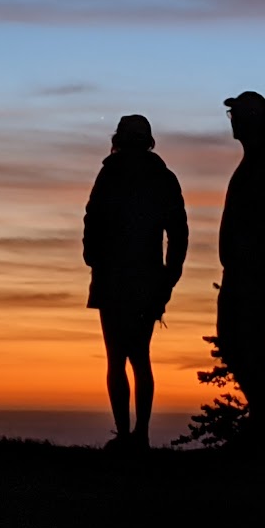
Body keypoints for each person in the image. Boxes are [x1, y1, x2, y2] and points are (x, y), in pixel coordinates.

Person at [83, 114, 188, 450]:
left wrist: (169, 276)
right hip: (134, 279)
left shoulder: (116, 174)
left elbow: (92, 218)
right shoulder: (157, 177)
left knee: (124, 358)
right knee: (133, 357)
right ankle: (134, 434)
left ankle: (133, 434)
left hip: (126, 279)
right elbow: (179, 232)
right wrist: (169, 276)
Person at [216, 90, 265, 438]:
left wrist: (254, 267)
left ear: (251, 119)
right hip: (243, 270)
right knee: (237, 343)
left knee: (243, 344)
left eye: (236, 115)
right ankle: (263, 423)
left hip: (251, 272)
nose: (231, 121)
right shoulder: (258, 160)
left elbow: (264, 223)